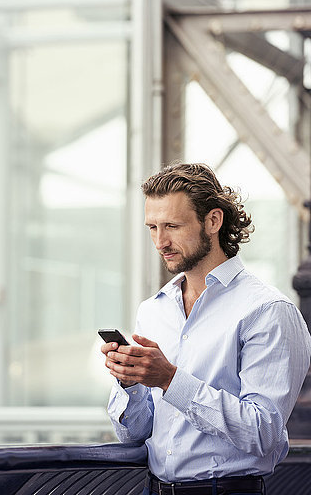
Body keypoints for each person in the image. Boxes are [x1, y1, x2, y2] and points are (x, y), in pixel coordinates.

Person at [101, 162, 311, 495]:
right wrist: (130, 383)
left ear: (213, 221)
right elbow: (133, 434)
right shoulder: (153, 310)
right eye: (152, 227)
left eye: (172, 225)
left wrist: (169, 379)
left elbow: (263, 432)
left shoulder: (267, 310)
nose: (160, 241)